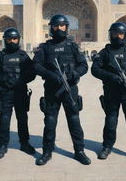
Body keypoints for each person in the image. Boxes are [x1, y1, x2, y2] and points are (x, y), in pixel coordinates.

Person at [33, 14, 91, 166]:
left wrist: (75, 73)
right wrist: (51, 75)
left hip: (70, 89)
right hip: (52, 89)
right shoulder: (45, 47)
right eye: (56, 26)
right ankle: (47, 152)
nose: (59, 28)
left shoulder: (72, 47)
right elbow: (36, 65)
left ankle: (79, 151)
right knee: (50, 121)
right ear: (51, 27)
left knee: (74, 120)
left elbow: (84, 65)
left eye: (62, 26)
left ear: (66, 27)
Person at [91, 22, 126, 164]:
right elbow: (95, 69)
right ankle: (107, 146)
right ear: (111, 35)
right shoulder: (105, 53)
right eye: (115, 34)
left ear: (125, 35)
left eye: (121, 34)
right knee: (111, 121)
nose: (118, 36)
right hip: (111, 92)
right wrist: (111, 77)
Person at [0, 27, 36, 159]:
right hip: (5, 93)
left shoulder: (23, 56)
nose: (12, 41)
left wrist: (21, 81)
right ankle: (3, 145)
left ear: (19, 40)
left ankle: (24, 143)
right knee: (4, 120)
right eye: (9, 39)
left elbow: (32, 74)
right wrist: (0, 89)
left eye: (15, 39)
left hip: (20, 93)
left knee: (22, 119)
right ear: (5, 40)